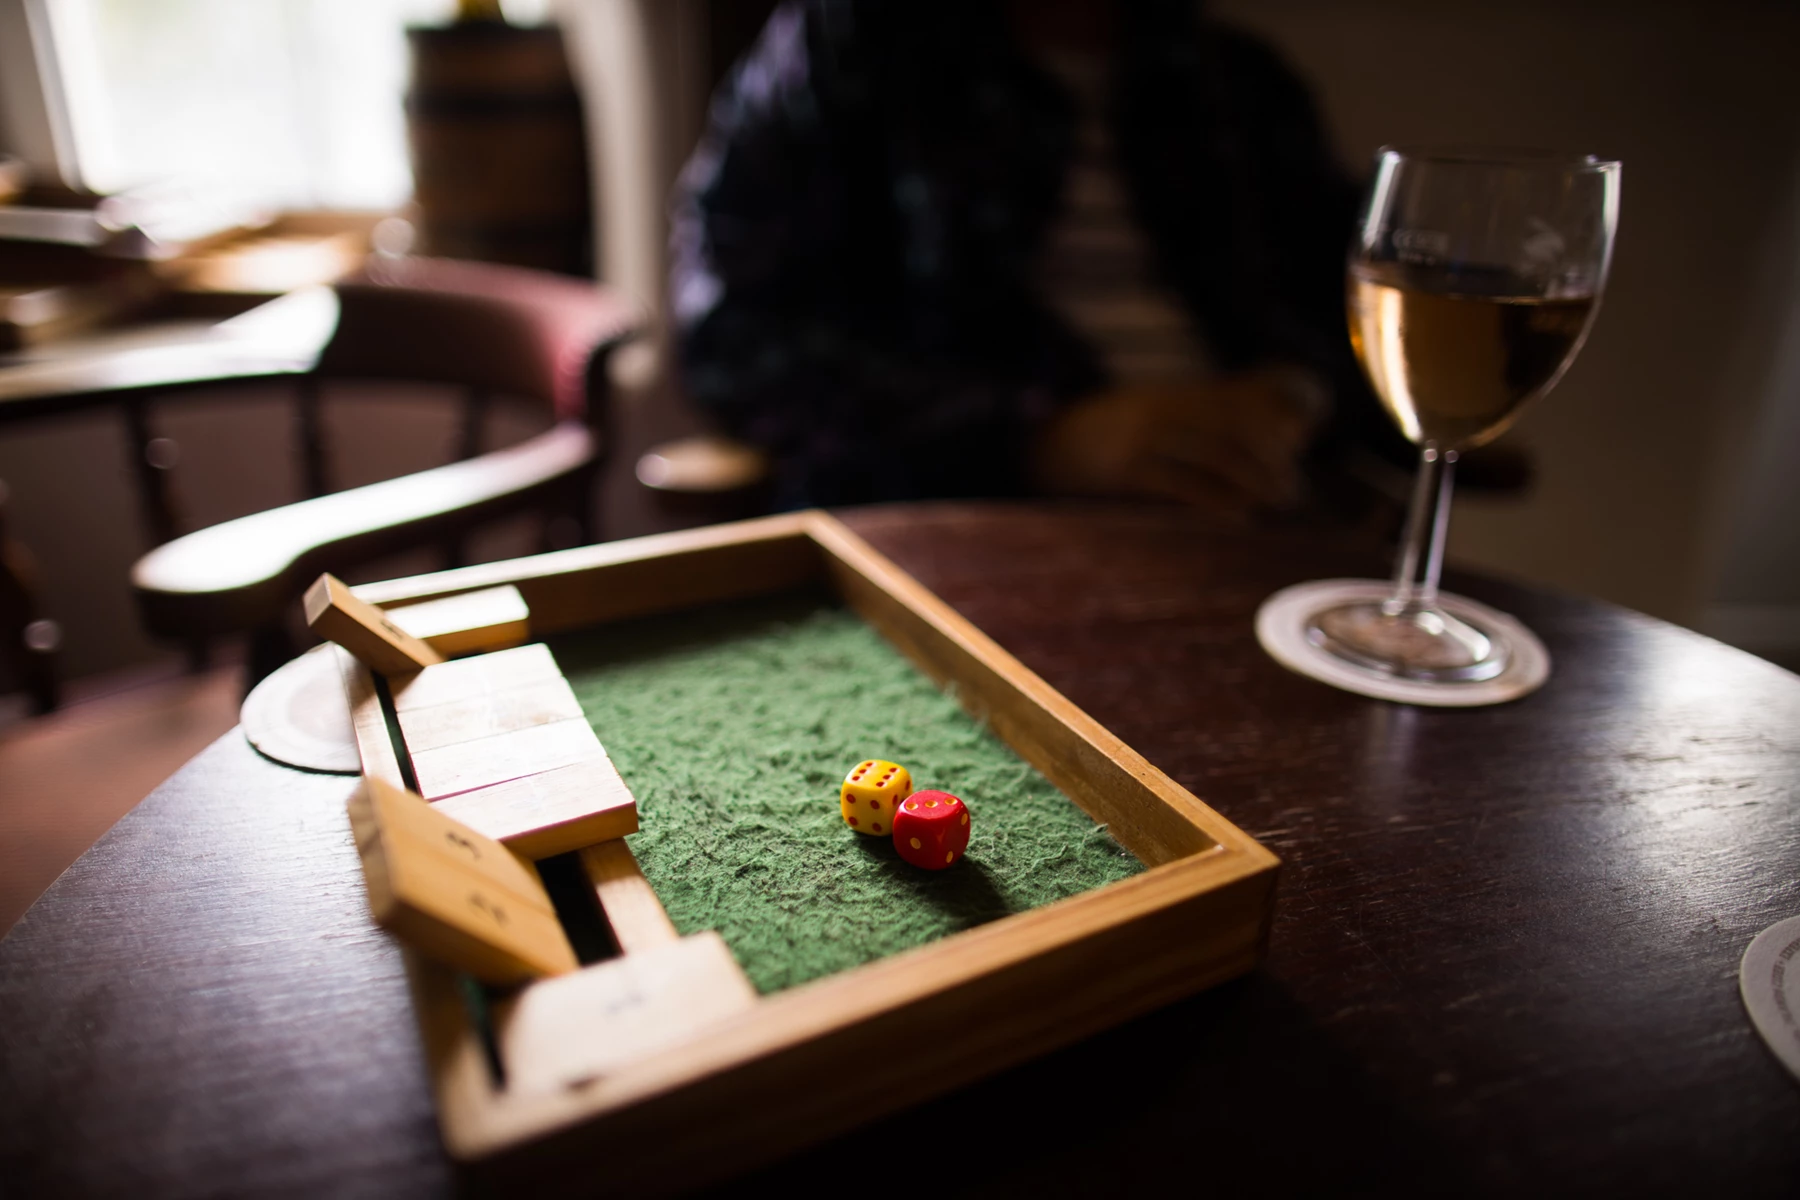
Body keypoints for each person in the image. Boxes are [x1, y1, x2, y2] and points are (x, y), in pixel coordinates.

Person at [670, 0, 1408, 517]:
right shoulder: (846, 47)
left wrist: (1297, 396)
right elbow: (732, 341)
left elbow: (1349, 319)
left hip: (1259, 518)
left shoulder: (1239, 79)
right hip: (968, 521)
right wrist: (1043, 439)